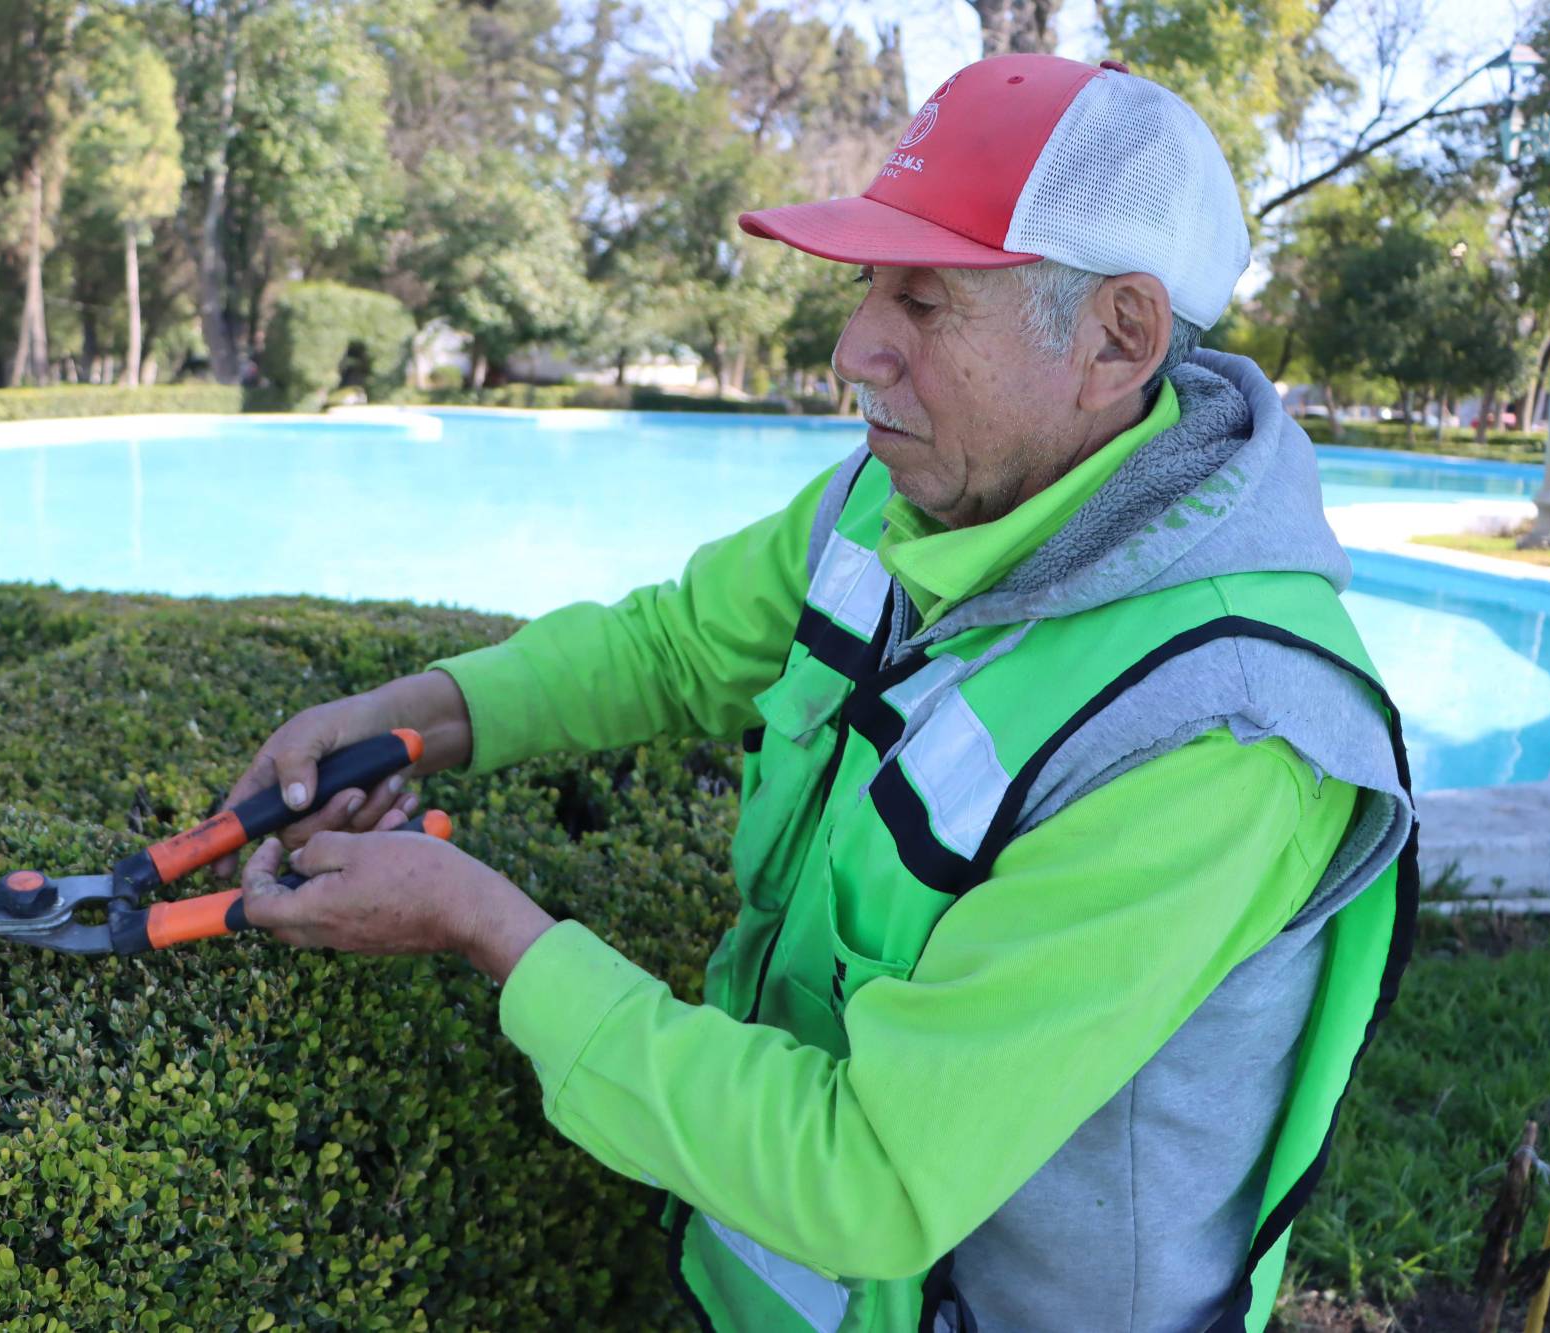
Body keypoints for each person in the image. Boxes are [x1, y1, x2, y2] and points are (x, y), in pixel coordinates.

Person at [211, 52, 1418, 1332]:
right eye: (863, 286)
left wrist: (484, 927)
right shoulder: (899, 497)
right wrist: (416, 714)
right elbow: (674, 645)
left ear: (1115, 338)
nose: (854, 350)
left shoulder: (1214, 735)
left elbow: (870, 1178)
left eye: (925, 300)